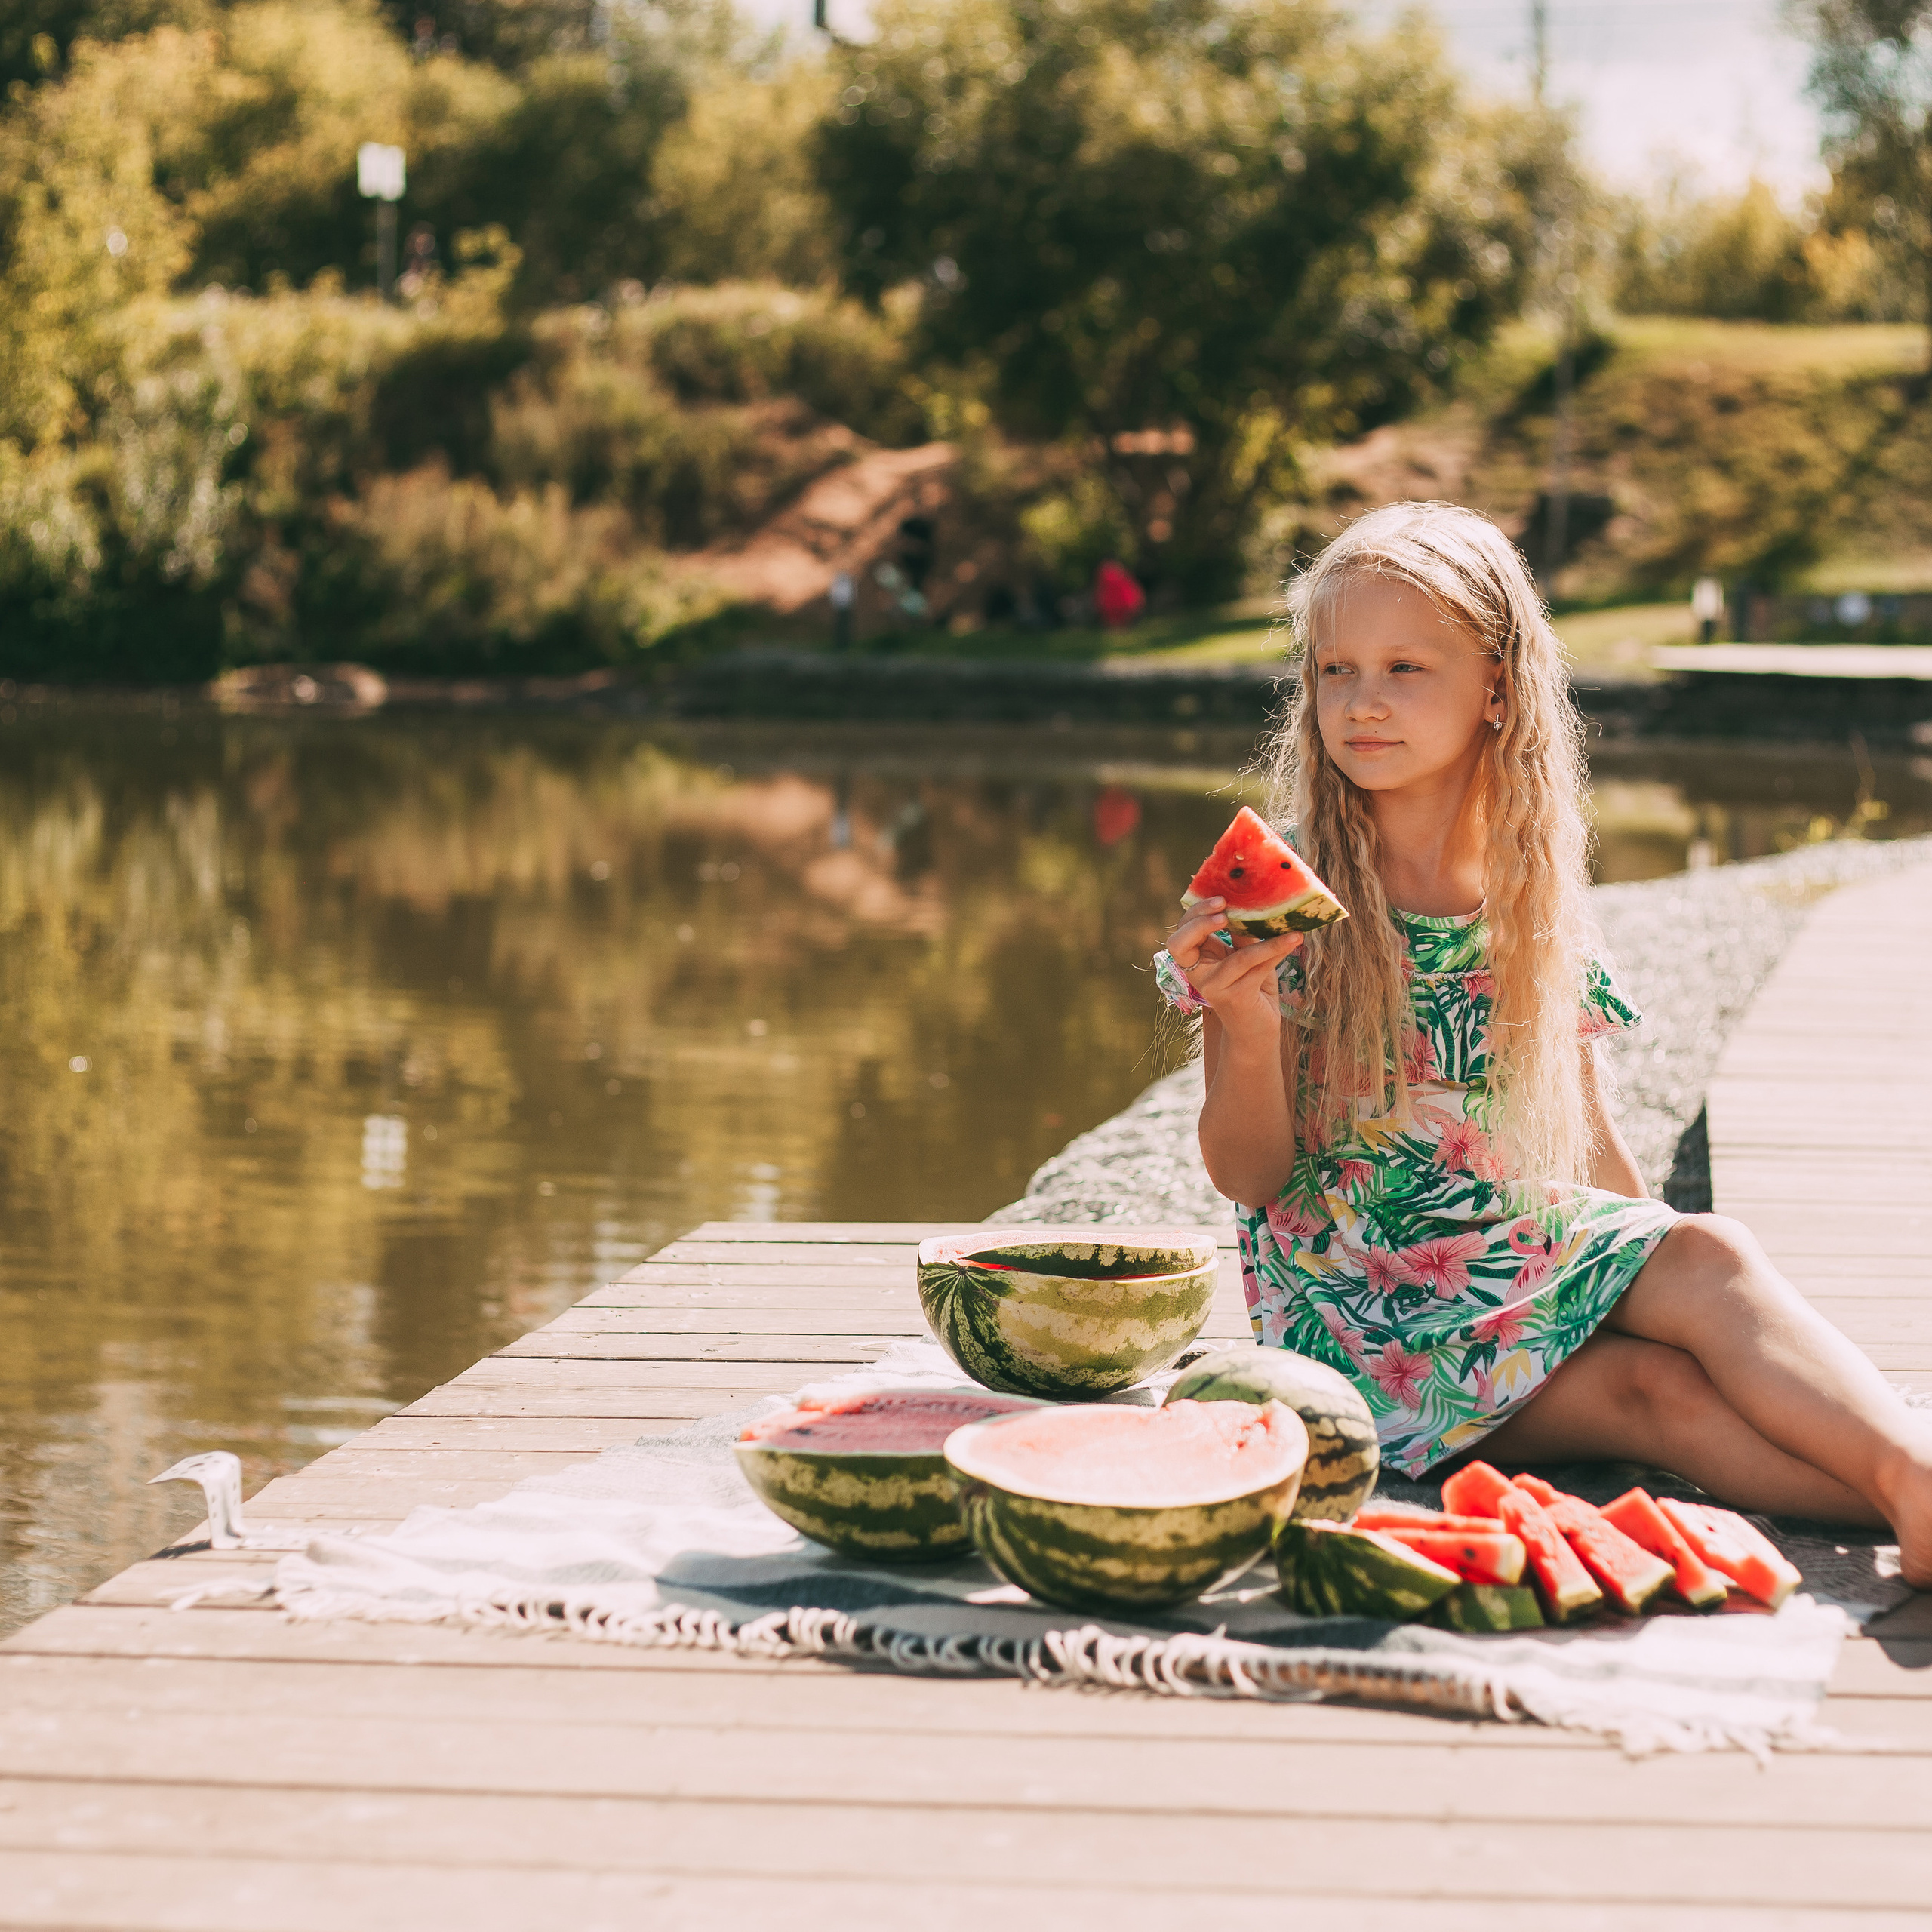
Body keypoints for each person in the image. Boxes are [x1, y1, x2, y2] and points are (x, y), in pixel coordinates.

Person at [1155, 502, 1931, 1586]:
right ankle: (1918, 1481)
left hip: (1504, 1257)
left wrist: (1652, 1284)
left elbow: (1587, 1155)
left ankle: (1914, 1497)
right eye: (1335, 670)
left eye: (1404, 669)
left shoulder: (1531, 899)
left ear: (1497, 688)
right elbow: (1249, 1175)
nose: (1361, 703)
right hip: (1354, 1319)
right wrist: (1247, 1017)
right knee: (1677, 1340)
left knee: (1684, 1314)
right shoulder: (1288, 897)